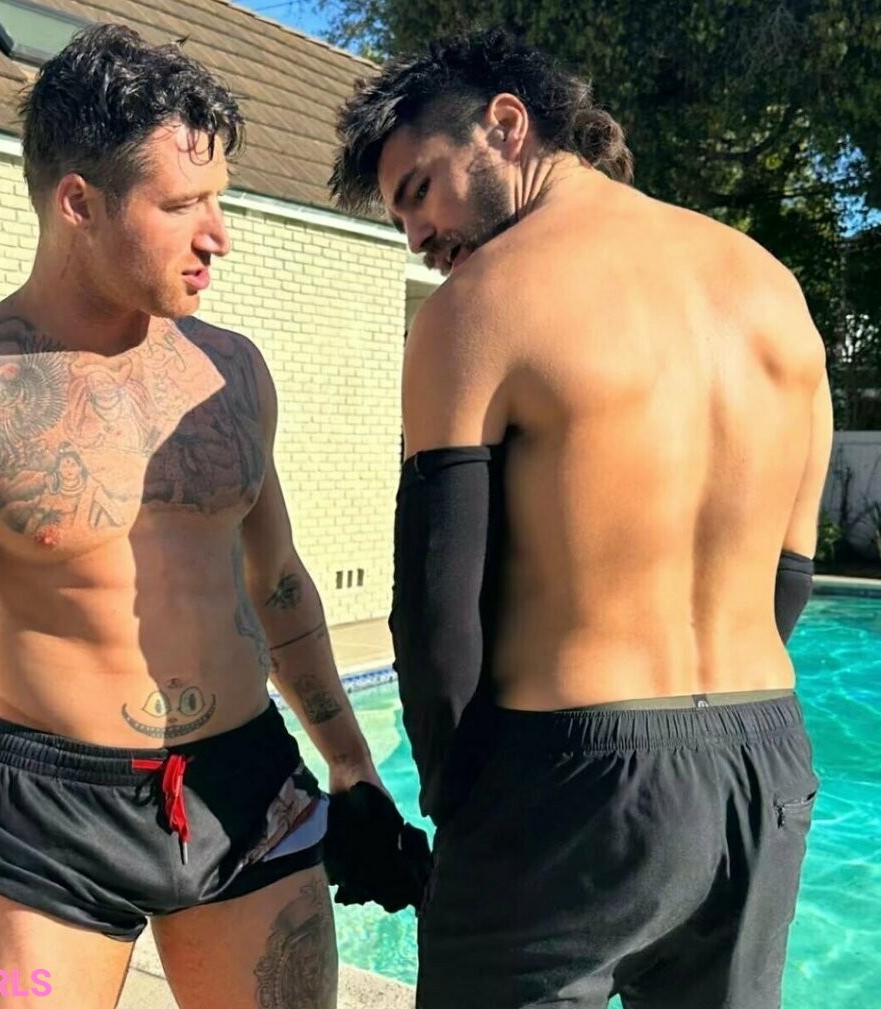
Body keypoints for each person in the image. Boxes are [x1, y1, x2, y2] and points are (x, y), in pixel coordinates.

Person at [0, 24, 400, 1009]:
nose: (218, 234)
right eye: (182, 205)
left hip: (245, 789)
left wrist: (354, 768)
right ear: (79, 204)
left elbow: (275, 580)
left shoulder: (229, 374)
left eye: (218, 200)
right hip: (50, 817)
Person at [330, 26, 833, 1009]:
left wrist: (459, 808)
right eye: (400, 218)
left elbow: (435, 615)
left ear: (505, 125)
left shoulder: (479, 305)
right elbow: (788, 581)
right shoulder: (774, 290)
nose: (418, 237)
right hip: (766, 763)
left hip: (571, 777)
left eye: (420, 191)